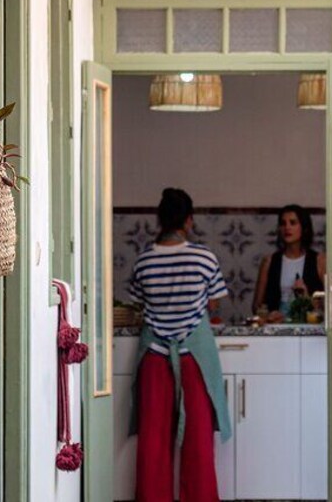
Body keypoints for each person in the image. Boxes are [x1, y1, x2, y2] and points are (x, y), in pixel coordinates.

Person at [128, 188, 231, 502]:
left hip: (155, 358)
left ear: (160, 219)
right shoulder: (204, 258)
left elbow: (137, 307)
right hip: (193, 357)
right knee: (198, 440)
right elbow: (214, 303)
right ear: (189, 220)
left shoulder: (144, 261)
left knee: (153, 441)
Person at [252, 204, 326, 317]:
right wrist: (270, 315)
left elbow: (329, 307)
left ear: (304, 227)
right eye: (283, 223)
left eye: (293, 223)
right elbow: (256, 306)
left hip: (309, 329)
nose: (287, 227)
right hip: (276, 328)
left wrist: (307, 298)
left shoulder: (319, 261)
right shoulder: (269, 261)